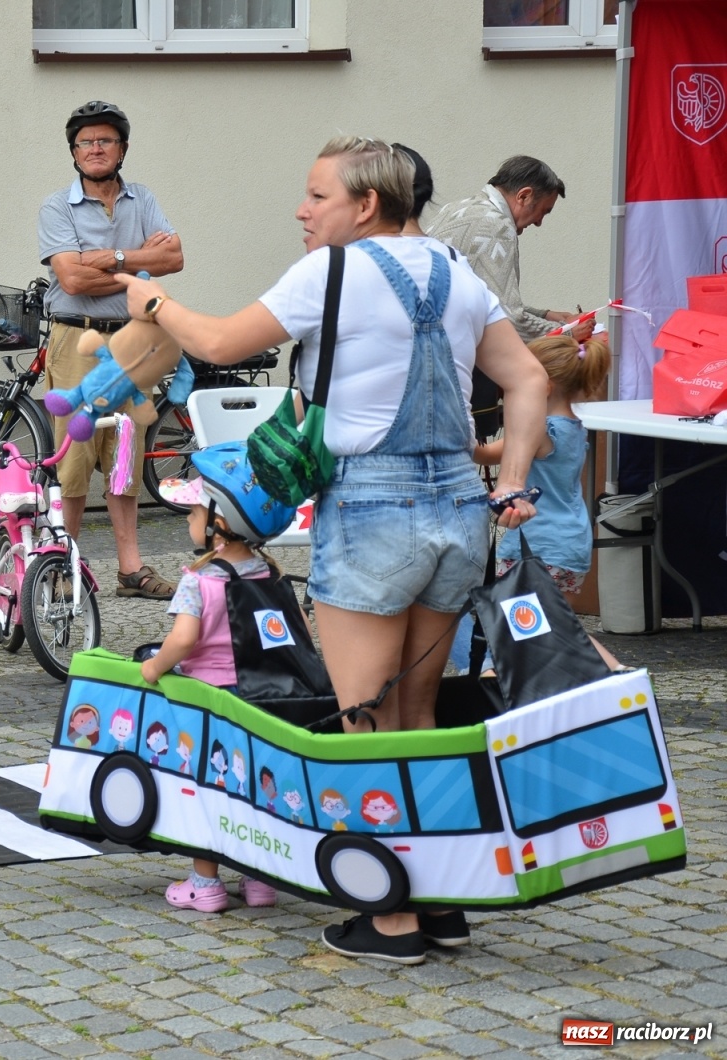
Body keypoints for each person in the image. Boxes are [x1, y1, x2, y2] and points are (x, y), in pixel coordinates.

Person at [118, 136, 549, 964]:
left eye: (317, 197)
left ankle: (386, 922)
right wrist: (515, 484)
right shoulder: (456, 271)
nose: (301, 211)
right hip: (461, 508)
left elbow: (214, 343)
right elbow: (527, 380)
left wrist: (153, 304)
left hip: (373, 504)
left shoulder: (333, 272)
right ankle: (438, 900)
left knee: (359, 723)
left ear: (366, 206)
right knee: (418, 716)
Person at [141, 452, 302, 914]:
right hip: (264, 701)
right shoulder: (270, 573)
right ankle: (259, 882)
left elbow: (184, 639)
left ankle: (205, 884)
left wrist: (154, 668)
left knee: (209, 788)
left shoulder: (199, 580)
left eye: (194, 511)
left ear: (218, 524)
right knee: (254, 787)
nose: (189, 519)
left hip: (211, 705)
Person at [39, 101, 185, 600]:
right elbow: (72, 278)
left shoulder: (142, 199)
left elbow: (176, 257)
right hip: (75, 336)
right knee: (75, 457)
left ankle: (131, 569)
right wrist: (139, 271)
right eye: (85, 142)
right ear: (73, 152)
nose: (95, 149)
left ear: (122, 148)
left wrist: (116, 257)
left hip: (132, 340)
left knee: (127, 449)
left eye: (105, 140)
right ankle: (63, 567)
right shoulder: (57, 206)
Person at [474, 334, 624, 670]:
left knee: (520, 619)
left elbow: (481, 454)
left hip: (536, 543)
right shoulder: (576, 428)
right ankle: (611, 674)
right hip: (570, 543)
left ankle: (493, 673)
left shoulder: (538, 431)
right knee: (556, 622)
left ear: (542, 384)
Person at [425, 155, 594, 343]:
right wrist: (567, 333)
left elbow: (489, 300)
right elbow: (508, 321)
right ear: (524, 196)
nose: (539, 222)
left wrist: (545, 315)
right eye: (543, 211)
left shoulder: (456, 208)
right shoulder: (496, 225)